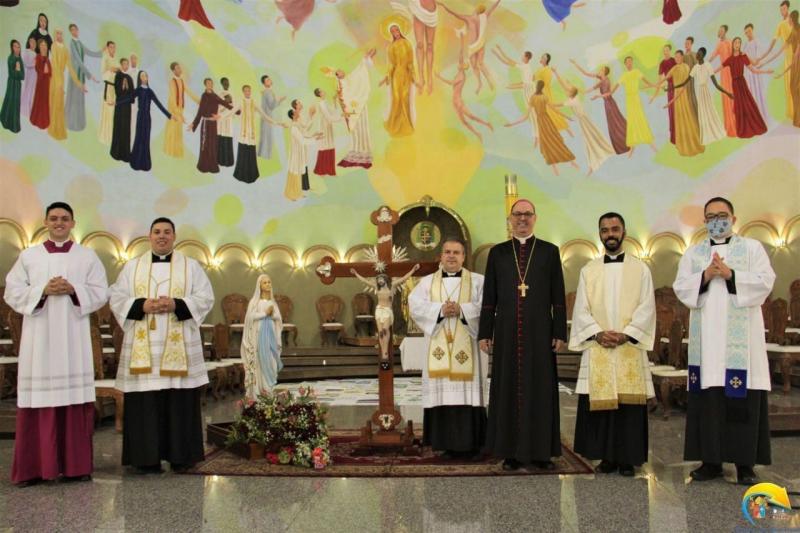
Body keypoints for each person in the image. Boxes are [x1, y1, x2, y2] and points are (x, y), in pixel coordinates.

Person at [4, 202, 108, 486]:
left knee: (73, 398)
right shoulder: (29, 256)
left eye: (64, 218)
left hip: (73, 337)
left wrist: (75, 289)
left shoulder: (87, 257)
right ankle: (33, 468)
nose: (59, 222)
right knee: (40, 399)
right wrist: (42, 290)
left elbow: (101, 292)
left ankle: (76, 466)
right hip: (39, 339)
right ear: (46, 222)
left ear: (73, 223)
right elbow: (12, 292)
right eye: (54, 218)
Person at [673, 197, 775, 485]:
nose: (717, 219)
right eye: (711, 216)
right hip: (707, 345)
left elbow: (765, 282)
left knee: (742, 401)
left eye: (722, 214)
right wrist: (705, 275)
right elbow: (681, 287)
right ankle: (711, 462)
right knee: (709, 403)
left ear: (733, 217)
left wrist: (731, 275)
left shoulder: (752, 248)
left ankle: (745, 465)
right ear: (704, 221)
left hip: (742, 349)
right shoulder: (694, 253)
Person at [110, 217, 214, 474]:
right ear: (149, 236)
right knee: (145, 401)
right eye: (157, 232)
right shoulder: (132, 267)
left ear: (174, 236)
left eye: (167, 232)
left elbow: (205, 297)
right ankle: (146, 459)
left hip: (177, 345)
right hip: (143, 347)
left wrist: (176, 305)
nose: (162, 236)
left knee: (178, 399)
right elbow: (116, 296)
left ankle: (182, 457)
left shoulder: (191, 267)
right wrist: (141, 305)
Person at [478, 199, 567, 471]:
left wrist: (559, 331)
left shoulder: (550, 252)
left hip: (540, 333)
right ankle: (510, 452)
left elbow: (559, 298)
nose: (522, 219)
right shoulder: (498, 253)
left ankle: (542, 453)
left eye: (527, 214)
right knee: (507, 389)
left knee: (540, 389)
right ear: (509, 219)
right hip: (506, 333)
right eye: (517, 215)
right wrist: (485, 331)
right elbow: (489, 298)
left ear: (535, 218)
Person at [569, 212, 656, 477]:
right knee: (602, 403)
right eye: (605, 230)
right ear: (600, 235)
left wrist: (627, 334)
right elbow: (581, 308)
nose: (610, 234)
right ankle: (605, 457)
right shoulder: (589, 270)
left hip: (629, 345)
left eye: (614, 229)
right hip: (599, 348)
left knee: (628, 406)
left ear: (624, 233)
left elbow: (647, 306)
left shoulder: (641, 269)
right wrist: (596, 333)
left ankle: (627, 458)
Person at [409, 237, 487, 459]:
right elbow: (415, 306)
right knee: (442, 392)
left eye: (456, 252)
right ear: (440, 256)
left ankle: (472, 443)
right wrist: (441, 310)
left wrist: (462, 310)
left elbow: (487, 306)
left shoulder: (479, 281)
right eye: (447, 252)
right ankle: (442, 442)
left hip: (469, 347)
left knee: (469, 393)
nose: (451, 256)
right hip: (438, 347)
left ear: (464, 256)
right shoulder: (426, 282)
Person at [552, 67, 615, 175]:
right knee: (591, 137)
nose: (567, 90)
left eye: (569, 90)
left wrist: (548, 104)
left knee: (589, 138)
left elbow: (559, 104)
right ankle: (598, 156)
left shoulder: (572, 101)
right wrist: (556, 72)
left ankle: (595, 161)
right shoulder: (573, 97)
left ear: (571, 93)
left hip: (584, 120)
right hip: (584, 119)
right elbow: (563, 85)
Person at [506, 80, 577, 176]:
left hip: (541, 122)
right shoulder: (544, 97)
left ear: (536, 87)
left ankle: (555, 168)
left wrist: (513, 123)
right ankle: (571, 162)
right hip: (547, 120)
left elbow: (526, 116)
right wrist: (566, 116)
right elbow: (554, 109)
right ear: (542, 88)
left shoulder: (533, 98)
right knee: (556, 140)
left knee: (547, 144)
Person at [352, 264, 420, 361]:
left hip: (388, 311)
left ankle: (385, 350)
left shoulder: (392, 286)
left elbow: (404, 278)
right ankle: (384, 352)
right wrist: (356, 273)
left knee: (385, 330)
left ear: (385, 279)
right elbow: (365, 281)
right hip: (379, 310)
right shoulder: (376, 287)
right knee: (380, 333)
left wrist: (413, 269)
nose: (379, 281)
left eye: (381, 279)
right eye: (378, 279)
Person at [436, 31, 493, 142]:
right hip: (455, 101)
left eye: (461, 64)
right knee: (464, 122)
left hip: (458, 101)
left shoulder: (461, 75)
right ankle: (478, 134)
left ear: (463, 67)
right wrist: (462, 40)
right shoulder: (459, 72)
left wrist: (439, 77)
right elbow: (461, 54)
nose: (459, 63)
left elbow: (451, 83)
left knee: (471, 117)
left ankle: (487, 124)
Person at [227, 84, 286, 183]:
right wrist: (220, 117)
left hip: (251, 134)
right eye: (246, 91)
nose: (248, 92)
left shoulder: (254, 103)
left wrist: (278, 123)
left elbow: (265, 116)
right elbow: (231, 112)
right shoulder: (240, 102)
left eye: (249, 90)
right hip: (243, 134)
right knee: (242, 154)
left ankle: (251, 175)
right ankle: (241, 175)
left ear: (250, 91)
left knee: (251, 154)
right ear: (243, 92)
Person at [122, 70, 178, 172]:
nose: (145, 77)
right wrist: (117, 102)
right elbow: (129, 98)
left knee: (146, 139)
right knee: (139, 138)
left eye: (146, 75)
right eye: (142, 75)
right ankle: (136, 163)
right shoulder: (138, 90)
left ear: (147, 78)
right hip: (140, 117)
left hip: (147, 118)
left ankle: (145, 164)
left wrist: (170, 115)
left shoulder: (150, 91)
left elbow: (159, 104)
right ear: (140, 78)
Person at [571, 59, 630, 155]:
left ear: (604, 73)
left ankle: (625, 142)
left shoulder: (605, 81)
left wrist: (598, 96)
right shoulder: (601, 80)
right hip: (607, 104)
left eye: (601, 70)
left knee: (616, 124)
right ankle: (622, 143)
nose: (599, 71)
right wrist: (575, 63)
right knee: (613, 125)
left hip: (610, 104)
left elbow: (609, 93)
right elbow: (586, 75)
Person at [441, 0, 501, 94]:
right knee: (480, 64)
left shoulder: (468, 18)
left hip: (473, 46)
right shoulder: (484, 17)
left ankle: (480, 83)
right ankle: (487, 81)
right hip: (480, 43)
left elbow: (454, 13)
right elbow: (493, 7)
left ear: (476, 10)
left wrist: (444, 6)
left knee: (475, 66)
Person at [652, 50, 705, 156]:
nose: (676, 58)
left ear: (682, 57)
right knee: (679, 120)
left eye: (678, 57)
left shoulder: (686, 67)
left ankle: (692, 144)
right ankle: (682, 144)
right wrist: (655, 85)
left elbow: (683, 87)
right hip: (677, 96)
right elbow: (666, 78)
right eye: (675, 57)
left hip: (682, 97)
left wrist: (671, 101)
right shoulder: (675, 67)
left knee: (687, 118)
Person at [718, 37, 771, 138]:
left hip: (742, 83)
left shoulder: (743, 56)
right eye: (736, 42)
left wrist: (766, 71)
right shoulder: (730, 59)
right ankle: (742, 129)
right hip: (735, 84)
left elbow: (753, 70)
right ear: (733, 44)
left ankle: (755, 126)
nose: (737, 44)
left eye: (739, 42)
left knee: (748, 104)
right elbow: (719, 68)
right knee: (739, 107)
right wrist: (708, 73)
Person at [241, 274, 283, 399]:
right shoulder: (254, 302)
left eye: (269, 282)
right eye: (265, 282)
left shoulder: (272, 303)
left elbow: (279, 319)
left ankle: (268, 390)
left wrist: (272, 314)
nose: (268, 284)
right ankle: (260, 390)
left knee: (271, 360)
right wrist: (265, 313)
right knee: (259, 361)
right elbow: (249, 318)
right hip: (258, 336)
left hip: (270, 335)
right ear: (259, 285)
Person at [336, 49, 376, 169]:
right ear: (337, 76)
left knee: (363, 130)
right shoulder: (341, 84)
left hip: (360, 107)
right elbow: (344, 98)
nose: (342, 72)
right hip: (353, 112)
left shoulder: (349, 78)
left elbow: (359, 71)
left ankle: (364, 156)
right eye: (339, 72)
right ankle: (356, 156)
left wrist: (366, 58)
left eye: (341, 70)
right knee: (357, 133)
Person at [494, 45, 538, 147]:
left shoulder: (525, 66)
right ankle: (536, 137)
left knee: (532, 115)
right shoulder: (526, 67)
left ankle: (536, 138)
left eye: (523, 56)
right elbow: (508, 62)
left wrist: (499, 51)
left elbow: (509, 61)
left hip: (529, 91)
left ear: (526, 58)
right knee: (532, 115)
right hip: (528, 89)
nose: (521, 57)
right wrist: (498, 53)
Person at [686, 47, 731, 145]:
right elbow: (686, 81)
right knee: (702, 113)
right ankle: (707, 135)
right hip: (699, 92)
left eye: (699, 53)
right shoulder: (695, 67)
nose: (697, 55)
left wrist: (727, 93)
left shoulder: (708, 65)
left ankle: (716, 132)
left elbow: (716, 84)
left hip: (706, 92)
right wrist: (673, 86)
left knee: (710, 110)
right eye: (697, 53)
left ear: (703, 55)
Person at [757, 1, 794, 120]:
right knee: (789, 85)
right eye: (780, 9)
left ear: (788, 8)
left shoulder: (794, 23)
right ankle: (794, 113)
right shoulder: (781, 25)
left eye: (784, 8)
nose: (782, 11)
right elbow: (773, 45)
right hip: (788, 58)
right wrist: (762, 58)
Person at [615, 56, 658, 157]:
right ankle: (632, 146)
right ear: (625, 64)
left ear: (632, 63)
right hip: (629, 100)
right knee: (631, 121)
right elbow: (616, 86)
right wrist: (609, 93)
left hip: (636, 98)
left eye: (631, 61)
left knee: (641, 118)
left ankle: (651, 143)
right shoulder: (624, 75)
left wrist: (654, 85)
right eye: (627, 62)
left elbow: (646, 81)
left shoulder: (636, 72)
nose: (629, 63)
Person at [380, 20, 417, 138]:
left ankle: (406, 125)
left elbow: (411, 61)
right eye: (392, 31)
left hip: (406, 74)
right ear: (390, 33)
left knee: (404, 98)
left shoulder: (407, 43)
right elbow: (391, 64)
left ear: (400, 30)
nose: (395, 32)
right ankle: (394, 125)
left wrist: (413, 76)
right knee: (396, 98)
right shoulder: (391, 47)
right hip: (396, 75)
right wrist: (386, 76)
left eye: (396, 30)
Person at [189, 78, 232, 173]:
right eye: (208, 83)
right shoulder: (204, 96)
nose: (210, 85)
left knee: (213, 144)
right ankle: (203, 166)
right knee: (205, 145)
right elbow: (200, 112)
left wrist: (236, 111)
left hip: (213, 124)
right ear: (205, 85)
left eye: (211, 83)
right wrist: (193, 123)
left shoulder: (215, 96)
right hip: (205, 124)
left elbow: (224, 103)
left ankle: (212, 166)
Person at [47, 29, 82, 141]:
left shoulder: (65, 49)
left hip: (61, 77)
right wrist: (59, 84)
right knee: (55, 103)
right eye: (57, 33)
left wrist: (78, 83)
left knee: (59, 105)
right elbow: (55, 65)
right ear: (54, 35)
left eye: (60, 34)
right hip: (55, 79)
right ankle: (53, 129)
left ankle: (58, 129)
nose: (59, 35)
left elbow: (70, 68)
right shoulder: (53, 46)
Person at [66, 23, 100, 132]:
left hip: (81, 75)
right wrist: (90, 76)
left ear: (78, 30)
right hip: (75, 75)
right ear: (70, 32)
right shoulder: (72, 43)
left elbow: (90, 52)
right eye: (72, 30)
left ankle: (79, 123)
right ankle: (72, 124)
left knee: (79, 99)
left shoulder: (79, 43)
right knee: (74, 98)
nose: (74, 31)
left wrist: (102, 52)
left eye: (75, 29)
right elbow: (79, 61)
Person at [285, 103, 322, 200]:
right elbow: (302, 140)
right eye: (295, 112)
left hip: (299, 151)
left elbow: (304, 134)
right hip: (296, 153)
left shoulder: (297, 125)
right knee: (295, 172)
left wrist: (314, 136)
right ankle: (291, 194)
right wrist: (315, 139)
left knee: (299, 171)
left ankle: (298, 192)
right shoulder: (294, 128)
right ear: (293, 115)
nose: (297, 113)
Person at [164, 61, 199, 158]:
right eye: (178, 68)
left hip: (180, 108)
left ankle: (176, 153)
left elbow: (189, 92)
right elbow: (172, 98)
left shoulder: (182, 80)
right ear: (173, 70)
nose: (180, 70)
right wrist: (177, 113)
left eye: (180, 67)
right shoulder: (172, 82)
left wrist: (199, 101)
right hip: (173, 110)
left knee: (178, 131)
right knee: (172, 130)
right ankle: (170, 152)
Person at [708, 25, 737, 137]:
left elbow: (734, 56)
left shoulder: (730, 42)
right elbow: (713, 55)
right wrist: (705, 64)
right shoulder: (719, 44)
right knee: (726, 97)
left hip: (731, 71)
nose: (719, 32)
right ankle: (729, 125)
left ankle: (736, 123)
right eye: (718, 30)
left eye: (721, 30)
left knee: (734, 95)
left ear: (725, 31)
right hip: (724, 73)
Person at [312, 87, 341, 176]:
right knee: (325, 145)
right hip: (324, 127)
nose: (324, 91)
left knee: (329, 145)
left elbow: (333, 111)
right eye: (321, 91)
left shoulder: (325, 102)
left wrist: (335, 100)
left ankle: (328, 170)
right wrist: (341, 118)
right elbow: (329, 116)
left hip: (328, 126)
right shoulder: (321, 104)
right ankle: (322, 170)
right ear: (319, 94)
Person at [743, 24, 770, 121]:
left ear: (752, 30)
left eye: (749, 31)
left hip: (755, 71)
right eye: (746, 32)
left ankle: (761, 116)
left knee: (758, 92)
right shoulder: (745, 45)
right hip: (747, 73)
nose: (748, 34)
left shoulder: (757, 42)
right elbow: (743, 59)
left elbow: (757, 59)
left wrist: (750, 61)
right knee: (750, 93)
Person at [110, 58, 134, 161]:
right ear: (121, 65)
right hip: (119, 106)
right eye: (124, 64)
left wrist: (128, 98)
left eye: (127, 64)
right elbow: (118, 91)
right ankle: (116, 153)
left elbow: (132, 95)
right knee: (118, 127)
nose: (126, 66)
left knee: (126, 129)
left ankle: (125, 154)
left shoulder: (129, 78)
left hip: (127, 108)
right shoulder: (118, 76)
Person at [257, 74, 285, 159]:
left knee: (265, 136)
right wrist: (279, 100)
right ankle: (265, 156)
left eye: (269, 79)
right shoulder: (267, 92)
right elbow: (272, 106)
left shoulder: (267, 91)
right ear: (264, 83)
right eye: (267, 80)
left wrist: (278, 100)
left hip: (266, 116)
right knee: (267, 137)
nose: (269, 81)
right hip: (267, 117)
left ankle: (261, 155)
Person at [98, 41, 119, 145]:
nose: (112, 49)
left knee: (114, 113)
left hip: (115, 89)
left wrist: (117, 71)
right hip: (108, 87)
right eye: (111, 47)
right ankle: (106, 136)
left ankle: (112, 136)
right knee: (107, 111)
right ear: (107, 48)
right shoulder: (105, 58)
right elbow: (103, 74)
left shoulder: (115, 59)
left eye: (114, 47)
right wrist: (111, 70)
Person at [1, 39, 24, 133]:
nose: (17, 48)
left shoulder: (19, 58)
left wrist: (18, 71)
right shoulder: (10, 58)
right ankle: (10, 124)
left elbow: (23, 76)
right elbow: (12, 74)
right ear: (12, 48)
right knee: (11, 102)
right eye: (15, 46)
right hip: (12, 84)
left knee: (16, 103)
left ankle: (12, 123)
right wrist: (18, 70)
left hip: (17, 85)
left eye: (18, 46)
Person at [29, 38, 51, 130]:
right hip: (40, 83)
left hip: (46, 83)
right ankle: (37, 120)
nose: (44, 47)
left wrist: (47, 70)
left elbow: (50, 72)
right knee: (39, 100)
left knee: (45, 101)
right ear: (39, 47)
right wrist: (44, 70)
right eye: (42, 45)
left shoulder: (48, 59)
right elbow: (38, 69)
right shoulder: (38, 57)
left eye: (45, 45)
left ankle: (45, 121)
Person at [657, 44, 677, 144]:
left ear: (670, 51)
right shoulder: (662, 63)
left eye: (667, 50)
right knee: (672, 109)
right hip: (670, 88)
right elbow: (660, 78)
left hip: (678, 85)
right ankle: (675, 136)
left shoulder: (674, 60)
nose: (665, 52)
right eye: (664, 50)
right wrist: (662, 86)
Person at [217, 77, 234, 167]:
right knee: (222, 138)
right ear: (222, 84)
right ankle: (221, 160)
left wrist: (230, 104)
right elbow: (218, 108)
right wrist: (225, 103)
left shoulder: (231, 94)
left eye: (227, 83)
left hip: (229, 120)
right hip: (222, 121)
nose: (226, 84)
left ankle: (228, 161)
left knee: (228, 138)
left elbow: (233, 107)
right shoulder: (220, 94)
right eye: (225, 83)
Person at [20, 37, 37, 119]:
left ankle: (29, 110)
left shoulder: (36, 54)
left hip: (34, 76)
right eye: (32, 42)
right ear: (29, 43)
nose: (33, 44)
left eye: (34, 43)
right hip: (28, 75)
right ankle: (23, 110)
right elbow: (26, 63)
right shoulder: (26, 52)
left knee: (32, 92)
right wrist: (34, 63)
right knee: (26, 91)